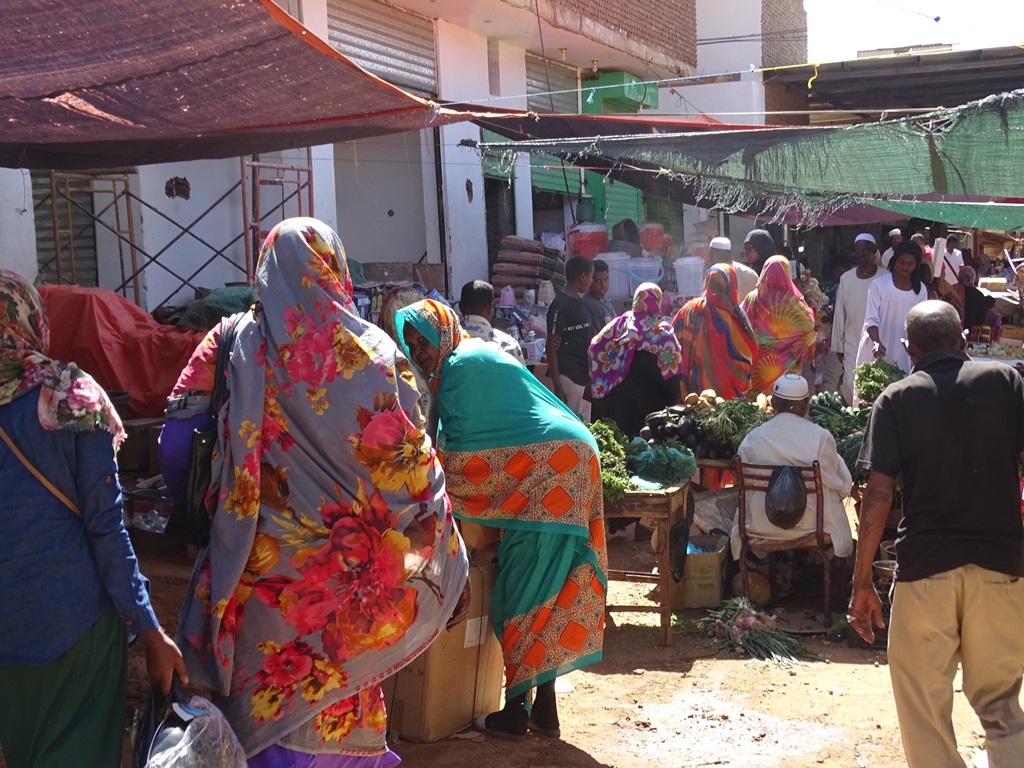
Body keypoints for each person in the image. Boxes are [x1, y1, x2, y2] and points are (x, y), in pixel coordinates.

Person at [169, 218, 469, 766]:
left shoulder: (231, 341)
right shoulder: (376, 355)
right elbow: (416, 474)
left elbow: (174, 443)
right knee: (341, 697)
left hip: (255, 581)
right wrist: (445, 554)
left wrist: (223, 507)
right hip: (347, 590)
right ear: (337, 268)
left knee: (258, 704)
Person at [394, 299, 607, 742]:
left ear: (443, 332)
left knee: (521, 591)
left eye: (424, 340)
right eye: (411, 344)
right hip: (560, 467)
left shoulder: (460, 370)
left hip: (554, 474)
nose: (419, 351)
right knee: (543, 590)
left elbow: (458, 460)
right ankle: (543, 713)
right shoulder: (471, 355)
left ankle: (514, 714)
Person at [0, 268, 187, 768]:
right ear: (30, 319)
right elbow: (106, 531)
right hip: (74, 625)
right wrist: (150, 630)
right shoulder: (69, 398)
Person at [848, 300, 1024, 767]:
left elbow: (879, 495)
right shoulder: (1007, 383)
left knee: (924, 709)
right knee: (1002, 704)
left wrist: (861, 581)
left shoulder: (897, 398)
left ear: (909, 348)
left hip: (926, 573)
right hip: (1002, 570)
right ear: (963, 340)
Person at [729, 374, 853, 561]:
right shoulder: (820, 437)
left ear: (774, 403)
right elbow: (838, 485)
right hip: (813, 526)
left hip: (759, 525)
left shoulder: (751, 440)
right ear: (805, 405)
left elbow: (743, 483)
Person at [589, 282, 685, 438]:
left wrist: (601, 382)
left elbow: (594, 347)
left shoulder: (618, 325)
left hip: (617, 407)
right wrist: (673, 403)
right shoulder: (662, 332)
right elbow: (674, 372)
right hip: (651, 410)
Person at [672, 264, 757, 400]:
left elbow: (674, 342)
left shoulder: (691, 310)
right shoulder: (737, 318)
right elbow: (751, 350)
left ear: (707, 284)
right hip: (732, 401)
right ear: (733, 286)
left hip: (694, 398)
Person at [741, 255, 817, 396]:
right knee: (787, 403)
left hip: (760, 370)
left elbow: (741, 326)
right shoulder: (793, 302)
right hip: (788, 373)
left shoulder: (753, 298)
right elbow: (809, 327)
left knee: (760, 408)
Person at [854, 240, 927, 381]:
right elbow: (871, 319)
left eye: (910, 264)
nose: (905, 267)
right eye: (901, 262)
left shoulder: (921, 290)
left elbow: (920, 324)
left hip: (904, 350)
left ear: (916, 265)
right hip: (877, 349)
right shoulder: (879, 285)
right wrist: (876, 342)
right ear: (895, 260)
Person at [830, 233, 885, 404]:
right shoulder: (846, 279)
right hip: (852, 343)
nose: (860, 254)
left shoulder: (885, 278)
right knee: (850, 386)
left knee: (877, 388)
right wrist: (838, 346)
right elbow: (840, 315)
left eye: (864, 250)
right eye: (857, 251)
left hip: (878, 345)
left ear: (874, 251)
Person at [547, 255, 594, 420]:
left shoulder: (578, 302)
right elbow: (551, 345)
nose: (591, 281)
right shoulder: (560, 305)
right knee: (569, 424)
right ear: (582, 277)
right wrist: (558, 388)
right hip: (567, 377)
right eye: (591, 276)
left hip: (580, 376)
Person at [458, 279, 525, 363]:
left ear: (460, 307)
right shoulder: (507, 344)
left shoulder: (447, 340)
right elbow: (519, 375)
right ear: (490, 308)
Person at [709, 235, 758, 301]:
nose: (709, 257)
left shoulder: (714, 275)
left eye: (710, 253)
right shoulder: (751, 273)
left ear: (715, 254)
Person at [582, 258, 616, 335]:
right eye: (598, 281)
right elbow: (596, 339)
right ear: (590, 280)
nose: (603, 285)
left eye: (606, 280)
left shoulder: (604, 299)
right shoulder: (589, 305)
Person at [956, 265, 986, 333]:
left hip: (954, 330)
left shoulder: (952, 290)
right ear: (973, 277)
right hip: (971, 332)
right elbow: (982, 316)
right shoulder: (978, 295)